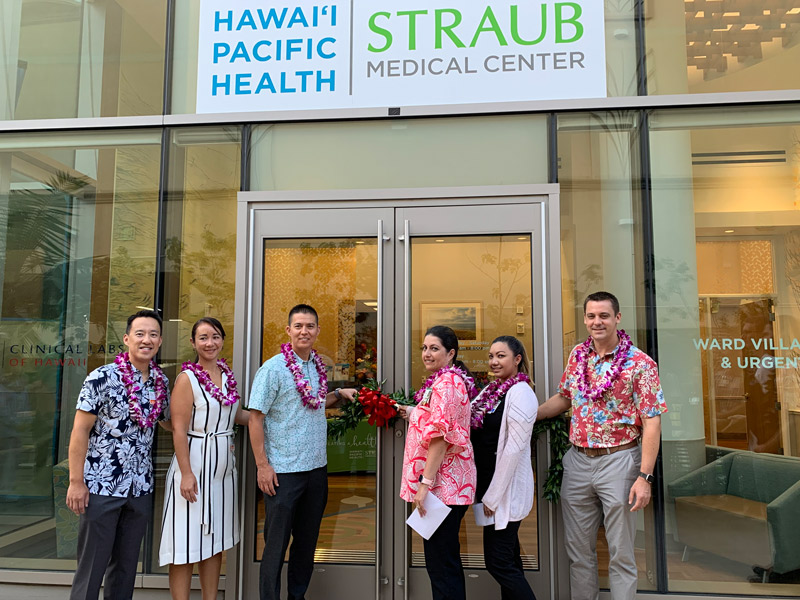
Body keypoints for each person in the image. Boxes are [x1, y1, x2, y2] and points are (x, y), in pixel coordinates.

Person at [537, 291, 667, 600]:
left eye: (604, 316)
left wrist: (644, 477)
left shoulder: (640, 364)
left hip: (619, 461)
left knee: (621, 552)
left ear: (617, 318)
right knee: (579, 553)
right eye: (592, 316)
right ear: (585, 319)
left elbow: (652, 422)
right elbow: (565, 398)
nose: (598, 321)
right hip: (577, 461)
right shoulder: (578, 357)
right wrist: (526, 416)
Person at [248, 304, 357, 600]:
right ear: (288, 331)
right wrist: (262, 466)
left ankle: (297, 596)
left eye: (310, 326)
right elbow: (255, 417)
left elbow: (313, 404)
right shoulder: (273, 369)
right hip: (283, 472)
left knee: (306, 544)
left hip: (315, 470)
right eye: (298, 326)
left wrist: (338, 394)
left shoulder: (317, 366)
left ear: (318, 331)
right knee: (275, 546)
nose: (304, 331)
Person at [66, 309, 170, 600]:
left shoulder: (161, 382)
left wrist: (214, 430)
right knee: (92, 569)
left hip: (140, 488)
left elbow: (168, 422)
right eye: (140, 333)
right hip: (101, 487)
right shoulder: (101, 378)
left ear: (160, 341)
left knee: (125, 570)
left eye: (152, 334)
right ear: (126, 339)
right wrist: (76, 482)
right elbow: (79, 432)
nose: (146, 339)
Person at [159, 317, 250, 599]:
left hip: (223, 471)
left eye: (215, 336)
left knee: (214, 543)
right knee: (184, 543)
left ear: (222, 340)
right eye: (203, 337)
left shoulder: (227, 376)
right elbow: (177, 428)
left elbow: (237, 416)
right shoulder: (187, 379)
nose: (210, 343)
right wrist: (186, 473)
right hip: (194, 466)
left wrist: (269, 416)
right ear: (193, 343)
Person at [398, 325, 477, 600]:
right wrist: (410, 411)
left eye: (434, 348)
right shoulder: (442, 382)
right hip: (444, 489)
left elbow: (441, 436)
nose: (427, 354)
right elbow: (434, 418)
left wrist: (425, 484)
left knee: (442, 565)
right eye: (424, 348)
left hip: (443, 489)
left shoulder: (448, 383)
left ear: (451, 353)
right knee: (442, 562)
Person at [470, 336, 537, 600]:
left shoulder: (521, 393)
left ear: (517, 359)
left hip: (504, 491)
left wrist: (494, 495)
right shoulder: (492, 390)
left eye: (501, 356)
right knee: (509, 560)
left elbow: (513, 450)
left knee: (498, 563)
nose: (494, 362)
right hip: (489, 485)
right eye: (491, 356)